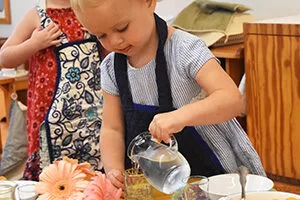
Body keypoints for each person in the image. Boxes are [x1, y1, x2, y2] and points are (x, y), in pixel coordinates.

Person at [70, 0, 266, 190]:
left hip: (215, 178)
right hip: (160, 186)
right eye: (101, 35)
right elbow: (113, 129)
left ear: (149, 2)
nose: (114, 41)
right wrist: (114, 169)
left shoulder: (184, 50)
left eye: (122, 28)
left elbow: (231, 100)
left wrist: (179, 117)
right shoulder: (111, 68)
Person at [0, 0, 108, 180]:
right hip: (47, 111)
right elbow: (4, 57)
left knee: (92, 169)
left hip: (90, 111)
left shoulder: (88, 10)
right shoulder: (37, 14)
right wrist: (34, 43)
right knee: (50, 171)